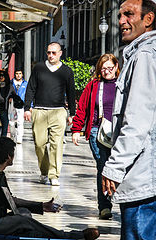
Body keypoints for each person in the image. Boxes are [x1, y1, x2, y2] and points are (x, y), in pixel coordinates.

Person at [0, 137, 99, 240]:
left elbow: (9, 200)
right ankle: (72, 236)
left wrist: (41, 206)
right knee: (22, 221)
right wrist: (2, 218)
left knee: (23, 214)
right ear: (8, 156)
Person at [101, 0, 156, 239]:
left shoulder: (144, 55)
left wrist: (113, 167)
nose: (121, 21)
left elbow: (137, 120)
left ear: (148, 19)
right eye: (120, 15)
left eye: (129, 14)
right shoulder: (141, 53)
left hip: (143, 180)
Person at [71, 54, 120, 220]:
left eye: (109, 68)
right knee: (103, 166)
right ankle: (105, 206)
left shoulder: (123, 84)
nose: (106, 72)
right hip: (96, 131)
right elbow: (82, 108)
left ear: (116, 67)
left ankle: (122, 199)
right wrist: (76, 129)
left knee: (119, 167)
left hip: (119, 132)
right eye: (103, 68)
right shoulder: (94, 85)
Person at [24, 42, 76, 186]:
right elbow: (30, 88)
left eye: (54, 53)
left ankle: (54, 174)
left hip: (58, 112)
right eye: (49, 53)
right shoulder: (39, 68)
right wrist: (27, 108)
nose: (51, 55)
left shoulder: (67, 71)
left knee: (57, 144)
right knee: (39, 144)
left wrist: (72, 113)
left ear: (60, 53)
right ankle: (44, 171)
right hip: (39, 111)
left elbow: (71, 93)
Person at [0, 70, 16, 138]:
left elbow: (14, 95)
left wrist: (11, 98)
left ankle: (3, 142)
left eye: (2, 76)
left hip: (5, 108)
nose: (1, 77)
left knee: (4, 127)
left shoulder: (9, 86)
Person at [10, 69, 28, 144]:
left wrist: (29, 106)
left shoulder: (25, 84)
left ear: (22, 74)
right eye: (16, 73)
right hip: (12, 103)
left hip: (21, 103)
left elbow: (28, 94)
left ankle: (19, 137)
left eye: (20, 73)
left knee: (20, 122)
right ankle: (12, 135)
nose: (18, 75)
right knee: (11, 122)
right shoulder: (11, 83)